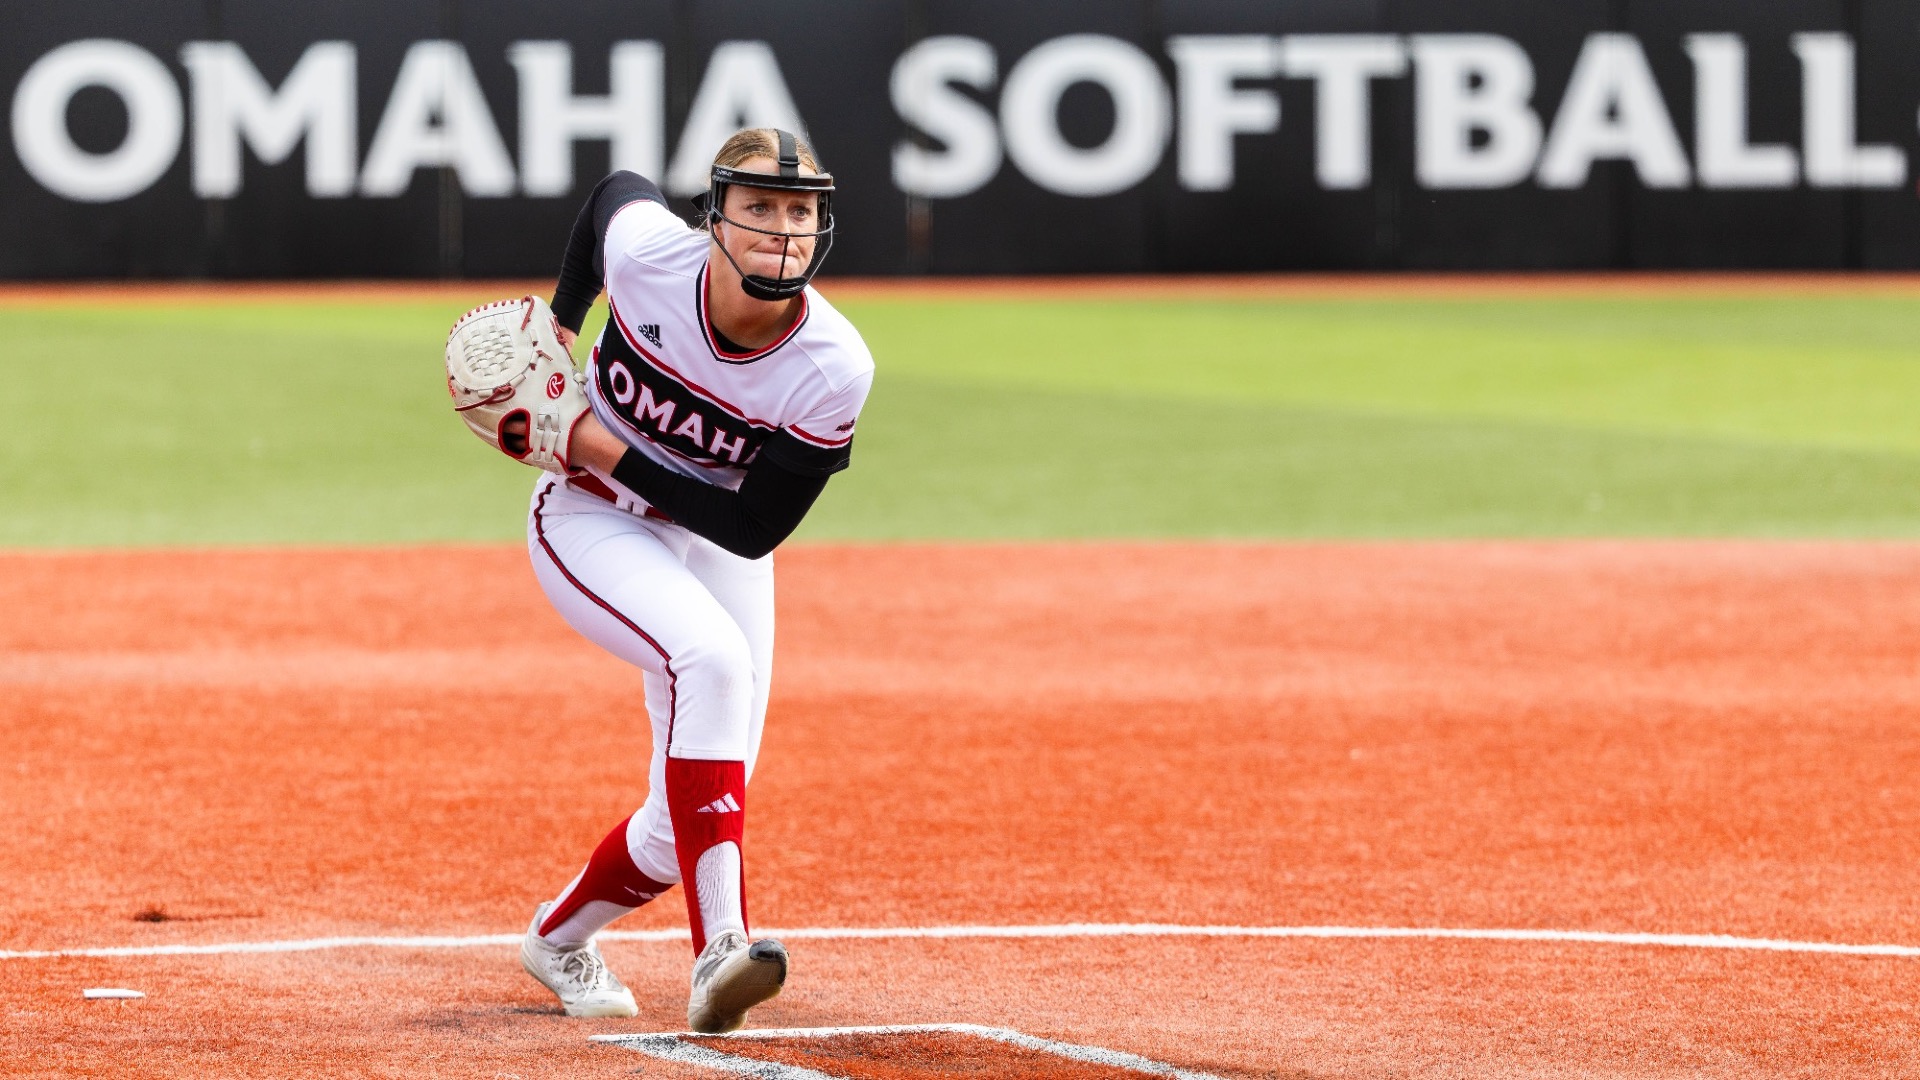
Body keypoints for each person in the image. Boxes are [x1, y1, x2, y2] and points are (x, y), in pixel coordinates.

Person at [510, 128, 872, 1034]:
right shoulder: (651, 259)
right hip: (587, 515)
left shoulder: (833, 366)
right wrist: (563, 319)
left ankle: (557, 939)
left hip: (715, 534)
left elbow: (752, 530)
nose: (782, 228)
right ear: (714, 217)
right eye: (759, 207)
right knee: (710, 659)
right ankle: (722, 951)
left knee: (694, 817)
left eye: (800, 211)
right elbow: (612, 193)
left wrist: (600, 442)